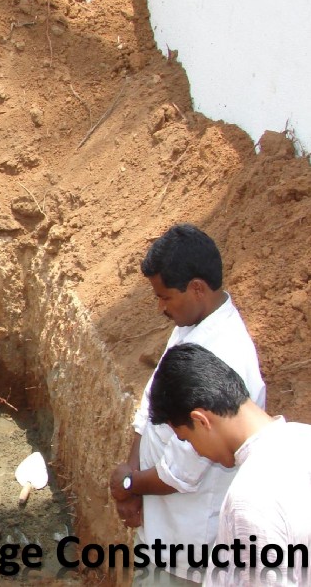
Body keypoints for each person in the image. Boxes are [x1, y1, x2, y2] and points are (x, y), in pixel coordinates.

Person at [108, 224, 266, 583]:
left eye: (165, 297)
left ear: (197, 288)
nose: (160, 307)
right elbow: (151, 405)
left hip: (186, 552)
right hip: (159, 528)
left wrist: (130, 485)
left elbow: (185, 468)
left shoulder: (225, 356)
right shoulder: (191, 322)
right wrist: (132, 477)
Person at [149, 343, 311, 587]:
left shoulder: (250, 500)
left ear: (201, 420)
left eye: (187, 439)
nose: (195, 450)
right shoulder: (304, 437)